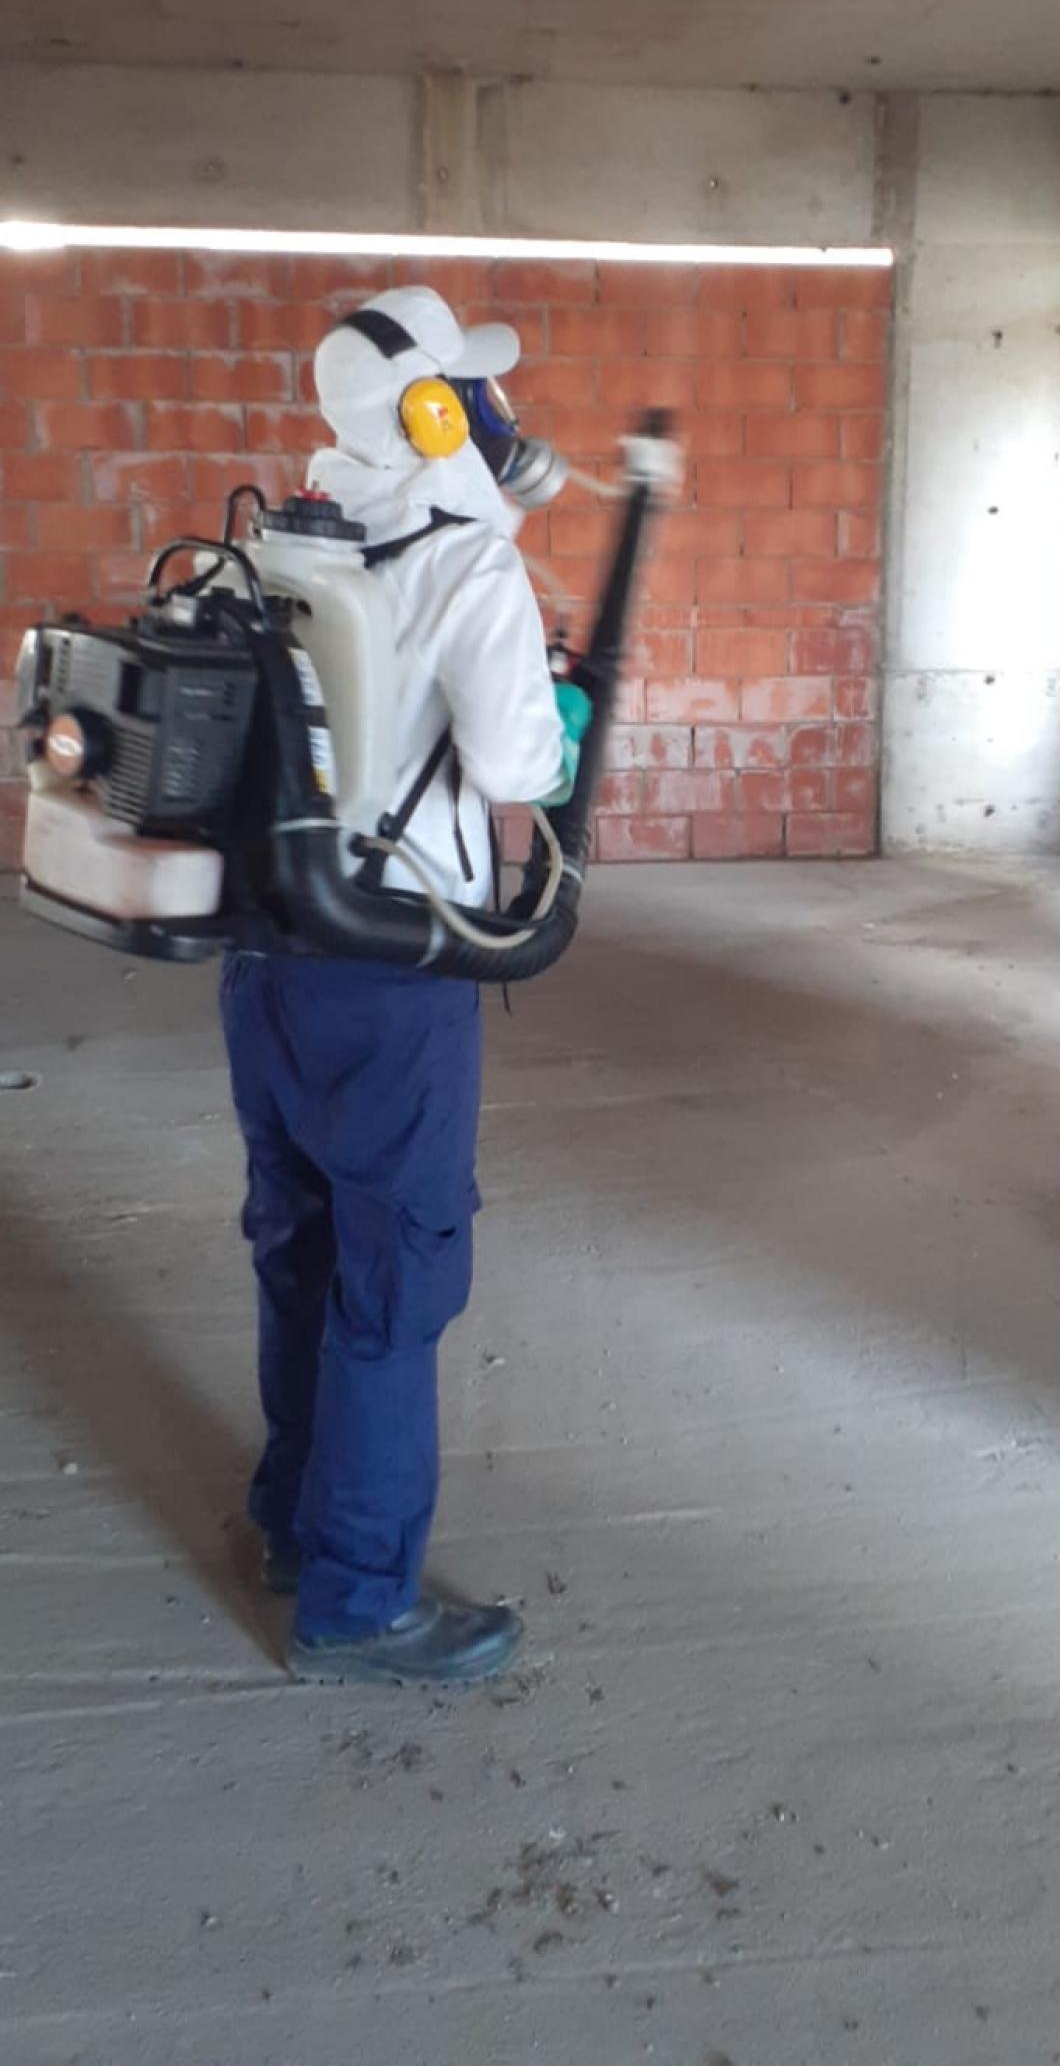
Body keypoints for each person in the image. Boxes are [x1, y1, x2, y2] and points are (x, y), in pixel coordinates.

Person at [219, 286, 577, 1687]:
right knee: (398, 1265)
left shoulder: (283, 541)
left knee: (296, 1234)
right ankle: (363, 1596)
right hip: (393, 960)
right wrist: (536, 839)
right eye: (472, 394)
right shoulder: (469, 564)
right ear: (437, 414)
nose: (496, 416)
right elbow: (514, 775)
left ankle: (293, 1521)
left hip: (272, 955)